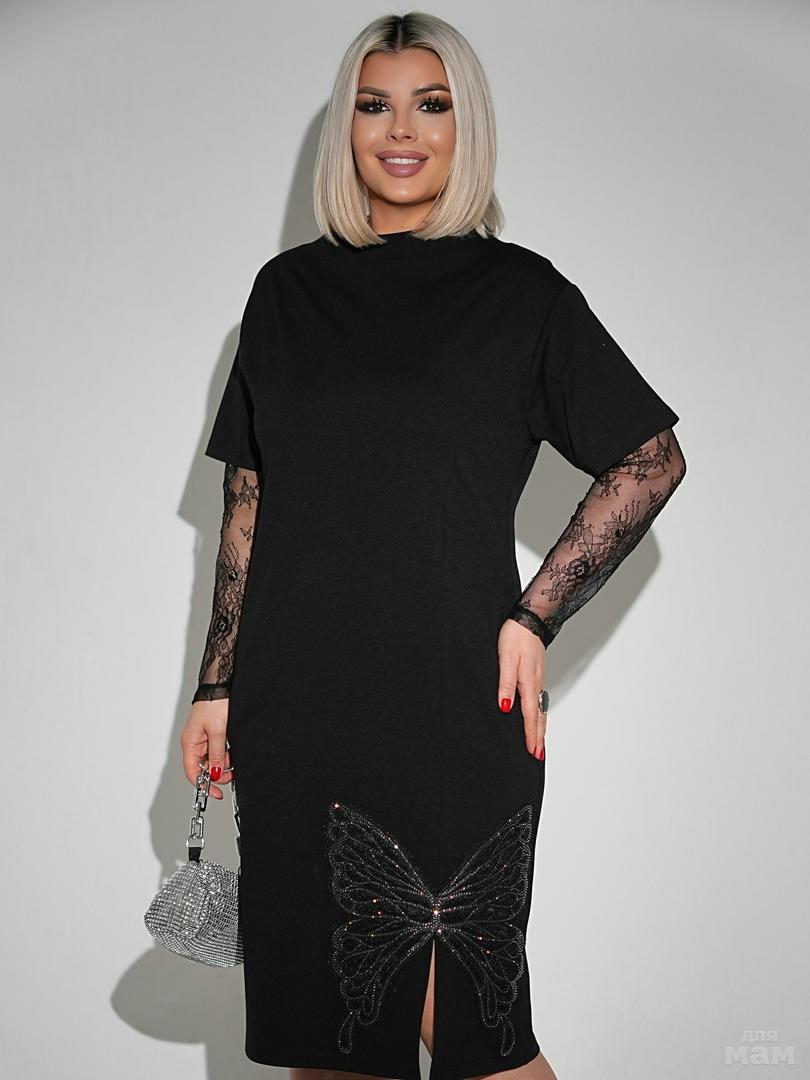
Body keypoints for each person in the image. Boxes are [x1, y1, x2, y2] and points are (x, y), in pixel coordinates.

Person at [180, 12, 687, 1080]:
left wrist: (535, 614)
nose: (400, 130)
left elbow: (649, 460)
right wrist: (216, 685)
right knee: (326, 1035)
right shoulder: (284, 295)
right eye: (375, 104)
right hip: (294, 705)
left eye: (430, 104)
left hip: (451, 706)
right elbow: (248, 501)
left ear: (467, 126)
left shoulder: (522, 295)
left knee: (473, 1032)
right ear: (347, 127)